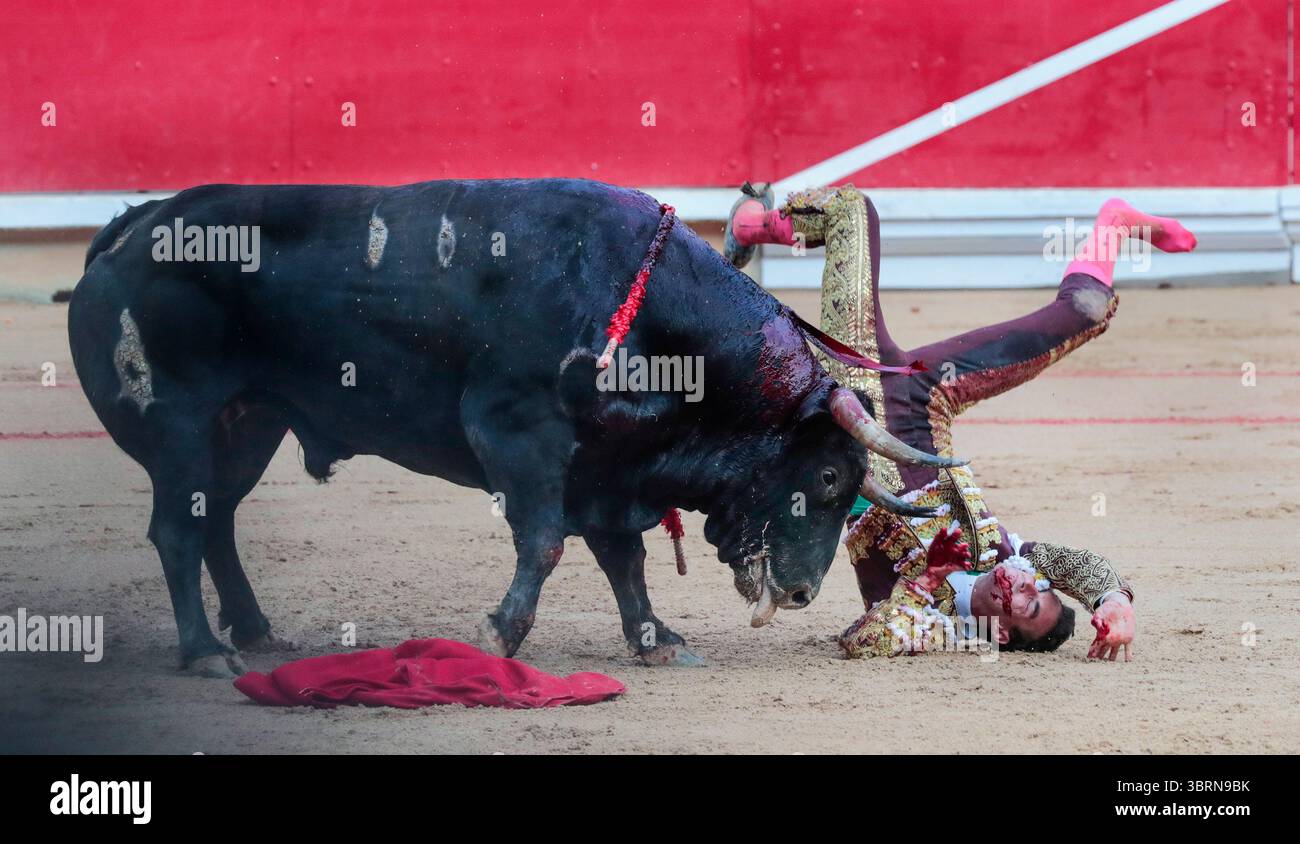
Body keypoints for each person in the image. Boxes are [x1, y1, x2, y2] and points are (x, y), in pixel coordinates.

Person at [723, 184, 1198, 659]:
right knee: (1084, 314)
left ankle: (750, 223)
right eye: (1039, 586)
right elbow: (1078, 565)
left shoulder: (942, 623)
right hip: (925, 400)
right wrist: (1113, 599)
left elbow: (862, 641)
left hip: (854, 398)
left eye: (1028, 605)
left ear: (1002, 634)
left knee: (853, 209)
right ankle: (1115, 224)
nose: (1026, 585)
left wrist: (930, 576)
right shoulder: (1007, 557)